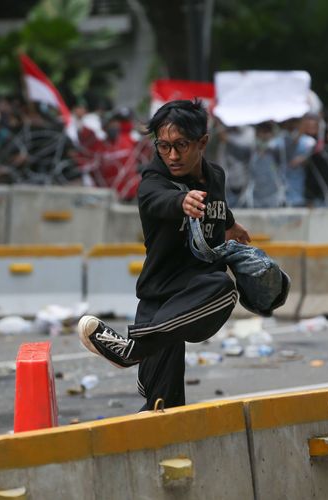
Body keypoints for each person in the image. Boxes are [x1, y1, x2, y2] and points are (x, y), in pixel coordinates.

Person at [77, 99, 250, 410]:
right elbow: (161, 200)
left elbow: (218, 207)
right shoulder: (152, 183)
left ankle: (134, 349)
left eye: (181, 145)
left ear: (202, 142)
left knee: (223, 288)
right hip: (159, 302)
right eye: (164, 145)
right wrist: (182, 201)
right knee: (163, 404)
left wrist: (231, 225)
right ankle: (137, 350)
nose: (172, 155)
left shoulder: (216, 177)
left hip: (195, 295)